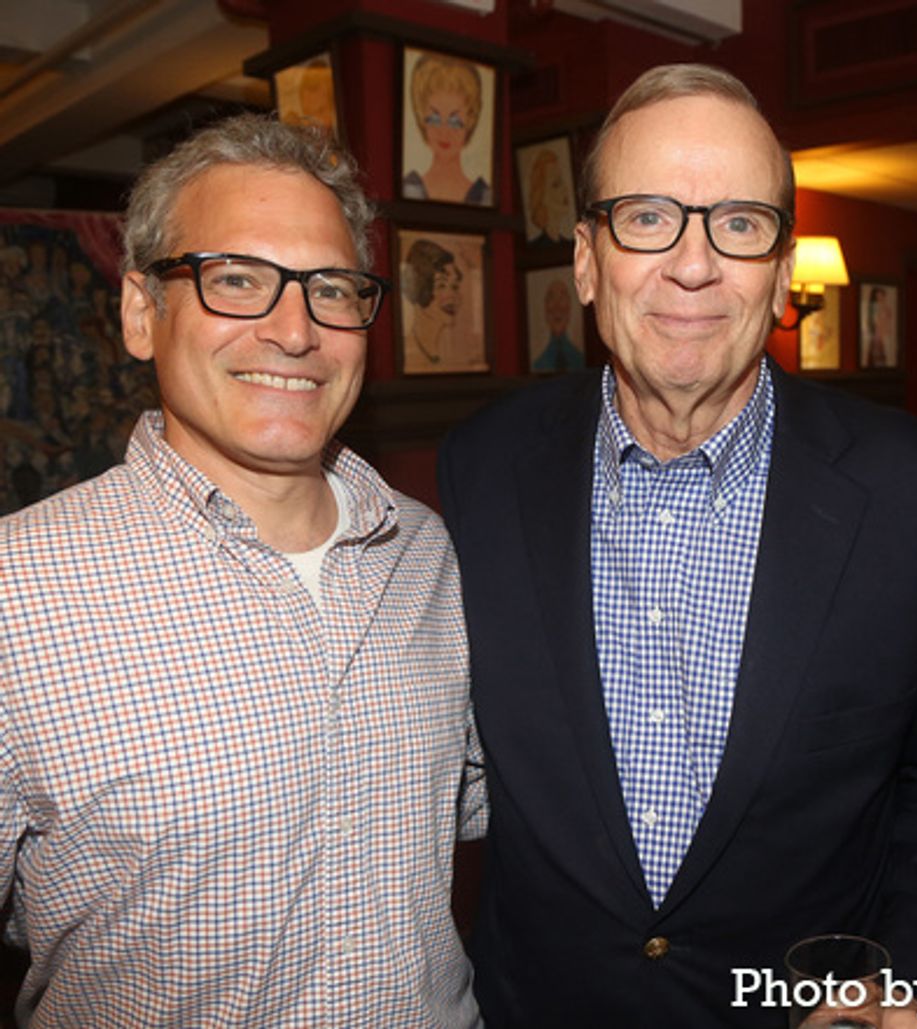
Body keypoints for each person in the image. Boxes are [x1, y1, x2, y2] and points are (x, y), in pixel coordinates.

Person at [437, 63, 917, 1029]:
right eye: (647, 217)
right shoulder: (480, 471)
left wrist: (910, 980)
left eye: (738, 223)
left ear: (782, 270)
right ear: (585, 260)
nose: (693, 265)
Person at [0, 114, 488, 1026]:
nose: (295, 330)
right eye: (236, 280)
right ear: (142, 312)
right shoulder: (16, 593)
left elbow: (505, 800)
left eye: (333, 289)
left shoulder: (430, 553)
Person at [402, 52, 490, 205]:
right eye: (435, 119)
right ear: (421, 117)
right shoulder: (410, 187)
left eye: (455, 121)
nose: (444, 132)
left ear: (470, 121)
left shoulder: (484, 195)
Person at [404, 237, 462, 369]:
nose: (452, 296)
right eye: (441, 285)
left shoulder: (455, 353)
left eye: (455, 286)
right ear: (420, 288)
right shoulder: (410, 351)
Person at [530, 277, 584, 372]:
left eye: (562, 298)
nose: (557, 306)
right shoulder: (538, 364)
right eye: (551, 298)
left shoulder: (580, 359)